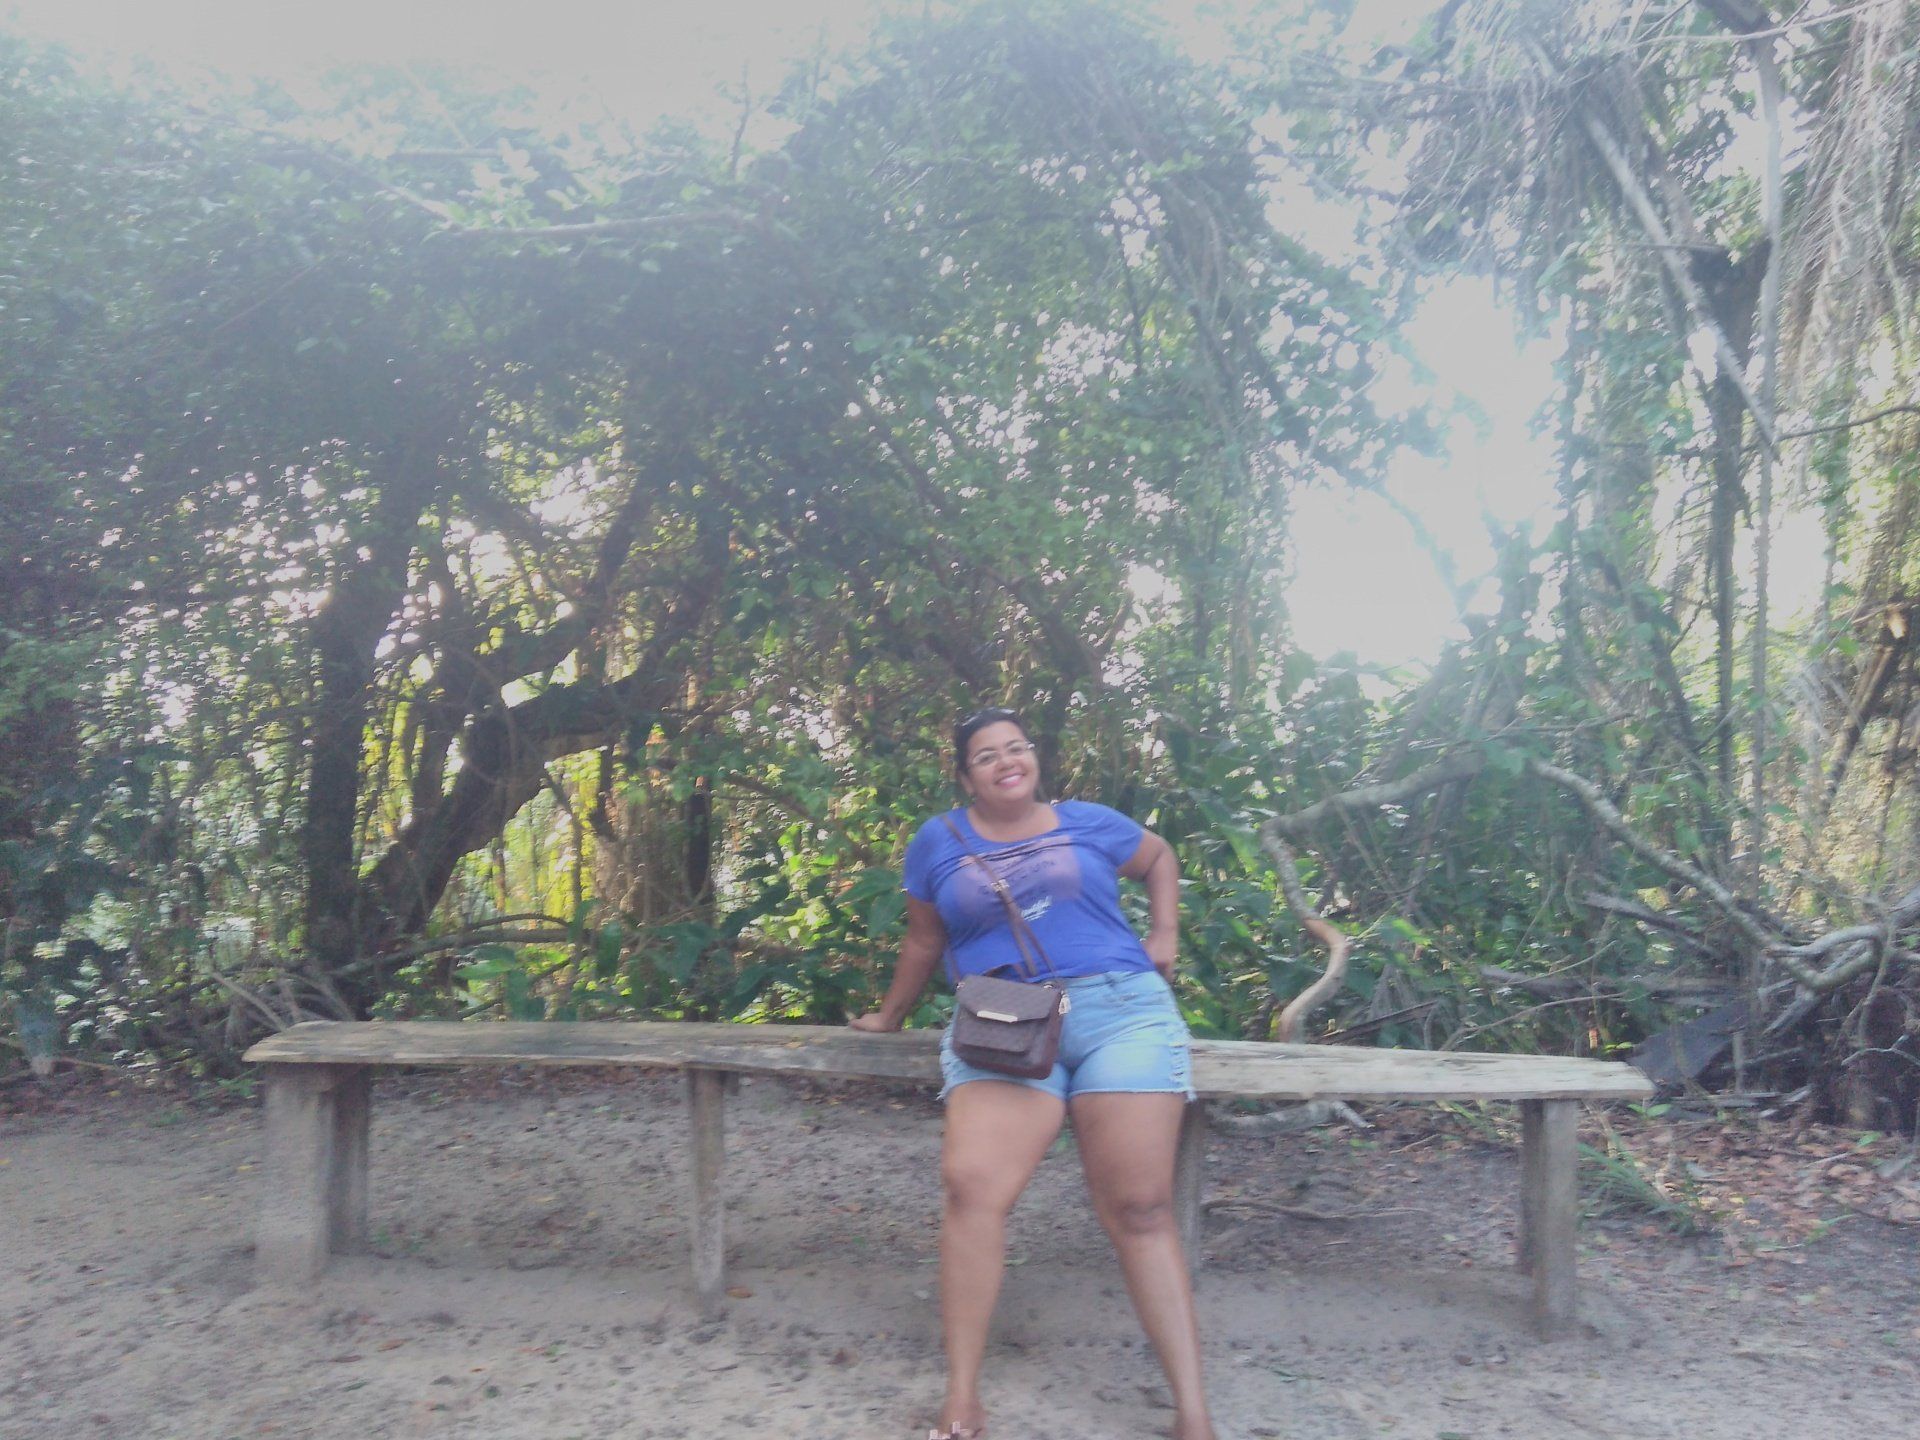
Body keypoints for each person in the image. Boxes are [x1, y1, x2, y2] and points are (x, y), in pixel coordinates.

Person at [850, 707, 1217, 1440]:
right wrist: (889, 1016)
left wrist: (1165, 930)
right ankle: (962, 1397)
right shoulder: (938, 841)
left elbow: (1159, 857)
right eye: (986, 755)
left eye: (1016, 747)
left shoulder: (1089, 821)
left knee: (1140, 1208)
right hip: (1004, 1020)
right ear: (966, 778)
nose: (1005, 761)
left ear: (1035, 758)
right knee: (973, 1189)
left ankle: (1193, 1414)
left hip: (1122, 1012)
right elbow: (924, 940)